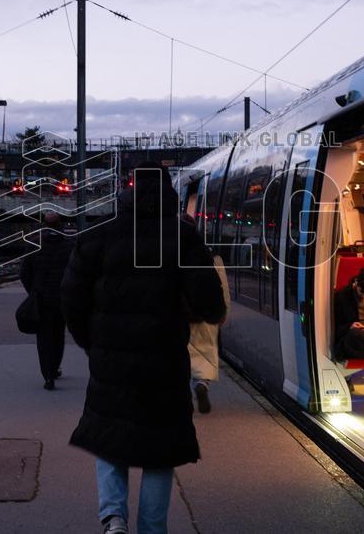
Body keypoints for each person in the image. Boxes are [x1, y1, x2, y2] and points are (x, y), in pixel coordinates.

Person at [62, 166, 227, 534]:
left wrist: (92, 342)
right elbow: (213, 305)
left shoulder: (97, 237)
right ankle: (152, 529)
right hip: (164, 362)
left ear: (126, 191)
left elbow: (70, 298)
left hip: (111, 362)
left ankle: (114, 517)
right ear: (168, 192)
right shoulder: (184, 237)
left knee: (108, 438)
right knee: (160, 451)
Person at [19, 210, 74, 390]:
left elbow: (24, 273)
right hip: (62, 299)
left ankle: (48, 375)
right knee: (58, 334)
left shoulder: (34, 245)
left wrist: (33, 292)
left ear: (44, 225)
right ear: (60, 225)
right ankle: (55, 366)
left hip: (41, 299)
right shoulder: (69, 246)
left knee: (43, 338)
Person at [182, 214, 230, 414]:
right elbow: (222, 288)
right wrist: (223, 311)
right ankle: (202, 384)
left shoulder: (167, 256)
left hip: (181, 317)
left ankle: (182, 394)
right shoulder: (211, 257)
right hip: (207, 315)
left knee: (182, 356)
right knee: (206, 353)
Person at [333, 267, 364, 360]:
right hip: (354, 338)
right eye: (362, 292)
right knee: (355, 334)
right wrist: (350, 326)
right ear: (356, 282)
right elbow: (336, 330)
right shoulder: (342, 297)